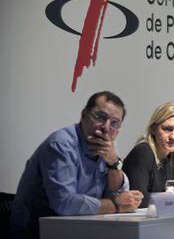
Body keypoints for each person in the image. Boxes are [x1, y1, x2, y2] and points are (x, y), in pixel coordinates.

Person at [10, 91, 142, 239]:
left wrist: (113, 163)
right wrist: (116, 205)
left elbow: (118, 194)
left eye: (114, 123)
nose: (106, 127)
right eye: (100, 117)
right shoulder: (61, 144)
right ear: (83, 115)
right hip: (35, 231)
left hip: (78, 228)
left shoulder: (107, 146)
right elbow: (65, 204)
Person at [123, 102, 174, 208]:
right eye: (168, 129)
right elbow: (138, 199)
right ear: (153, 129)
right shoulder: (143, 151)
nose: (173, 137)